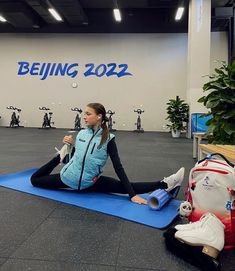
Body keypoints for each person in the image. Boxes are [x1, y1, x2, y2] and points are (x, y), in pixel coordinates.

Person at [31, 103, 185, 205]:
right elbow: (72, 160)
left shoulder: (108, 139)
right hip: (68, 178)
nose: (84, 116)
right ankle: (59, 154)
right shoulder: (81, 134)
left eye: (88, 113)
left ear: (99, 116)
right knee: (35, 179)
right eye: (84, 113)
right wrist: (67, 150)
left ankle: (167, 183)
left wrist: (132, 195)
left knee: (125, 187)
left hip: (89, 182)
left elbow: (119, 168)